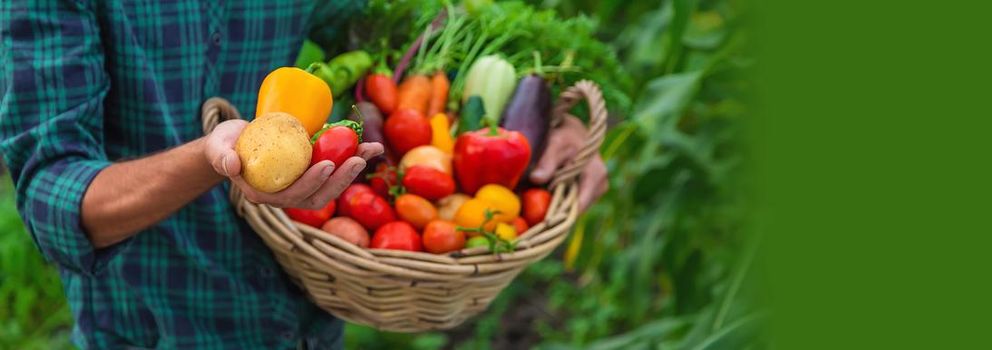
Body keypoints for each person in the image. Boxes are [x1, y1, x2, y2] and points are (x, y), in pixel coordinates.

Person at [0, 1, 609, 348]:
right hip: (160, 327)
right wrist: (209, 159)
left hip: (300, 321)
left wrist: (544, 113)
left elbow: (391, 30)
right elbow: (54, 196)